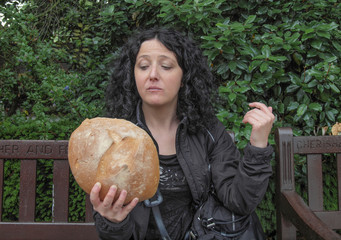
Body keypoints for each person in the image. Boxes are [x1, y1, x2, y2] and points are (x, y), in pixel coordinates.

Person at [90, 27, 275, 240]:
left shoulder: (209, 132)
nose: (152, 75)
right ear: (133, 75)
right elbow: (114, 234)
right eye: (143, 66)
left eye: (166, 66)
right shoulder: (114, 138)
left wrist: (258, 145)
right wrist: (113, 221)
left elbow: (240, 201)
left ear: (184, 75)